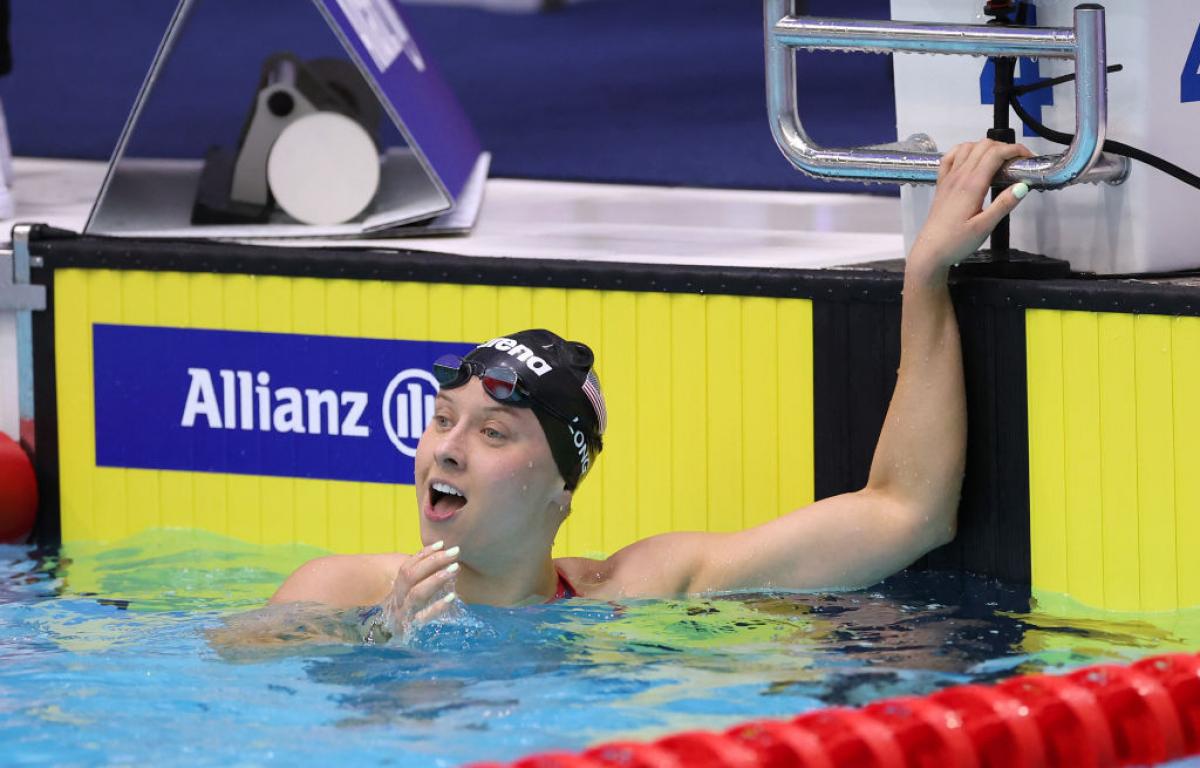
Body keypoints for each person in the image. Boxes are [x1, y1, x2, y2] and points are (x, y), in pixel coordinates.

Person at [270, 139, 1035, 638]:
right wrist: (377, 653)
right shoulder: (334, 598)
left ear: (560, 493)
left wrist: (925, 274)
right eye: (444, 420)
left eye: (494, 432)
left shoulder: (647, 589)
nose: (450, 449)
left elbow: (907, 512)